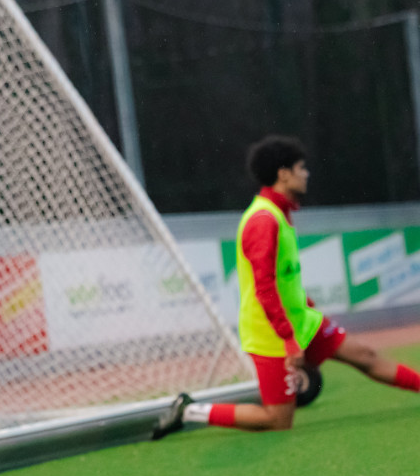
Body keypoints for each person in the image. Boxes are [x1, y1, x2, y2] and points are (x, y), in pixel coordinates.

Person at [153, 135, 420, 438]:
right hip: (272, 332)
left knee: (366, 356)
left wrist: (306, 305)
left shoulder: (280, 213)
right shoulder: (263, 220)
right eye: (300, 167)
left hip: (300, 322)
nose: (306, 173)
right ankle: (189, 410)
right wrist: (289, 339)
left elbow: (283, 276)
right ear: (283, 174)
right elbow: (264, 287)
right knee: (277, 420)